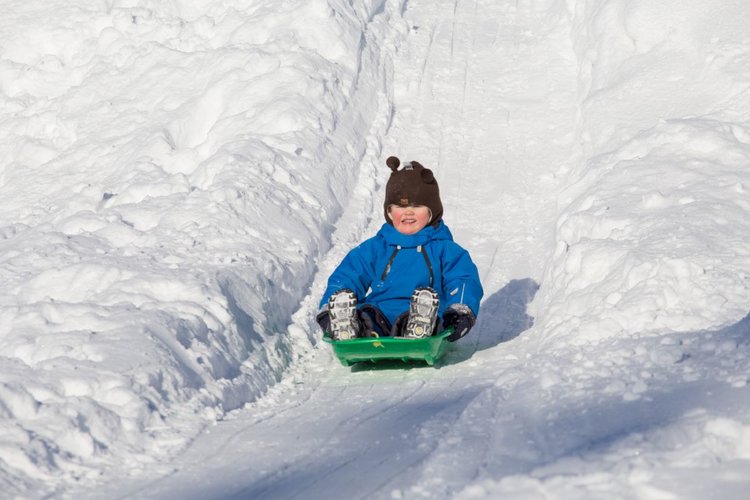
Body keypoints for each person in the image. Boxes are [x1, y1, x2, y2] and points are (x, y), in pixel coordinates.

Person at [316, 156, 483, 342]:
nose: (408, 212)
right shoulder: (376, 247)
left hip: (428, 311)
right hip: (380, 311)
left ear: (431, 212)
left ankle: (418, 327)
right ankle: (352, 328)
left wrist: (460, 310)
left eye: (417, 206)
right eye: (400, 206)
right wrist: (329, 307)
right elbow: (349, 276)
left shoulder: (444, 249)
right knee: (367, 315)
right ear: (389, 212)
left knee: (433, 318)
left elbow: (463, 279)